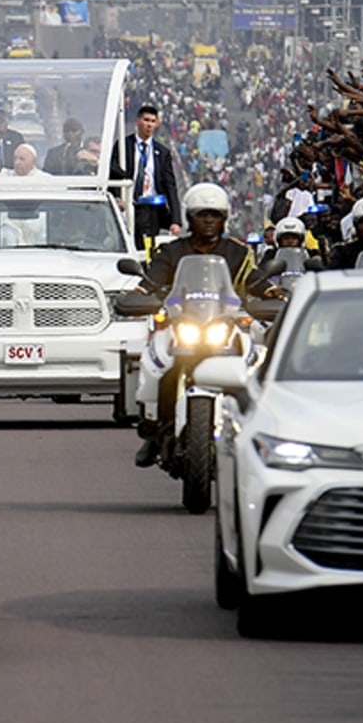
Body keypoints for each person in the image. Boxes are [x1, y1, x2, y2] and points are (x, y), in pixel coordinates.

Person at [134, 182, 259, 467]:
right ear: (190, 218)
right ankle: (155, 433)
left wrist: (272, 293)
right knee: (159, 364)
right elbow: (151, 282)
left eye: (214, 215)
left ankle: (253, 426)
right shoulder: (171, 252)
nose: (208, 221)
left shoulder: (238, 254)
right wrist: (139, 294)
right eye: (202, 215)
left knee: (253, 363)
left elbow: (256, 281)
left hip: (223, 327)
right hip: (183, 327)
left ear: (224, 219)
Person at [117, 103, 182, 248]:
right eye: (146, 120)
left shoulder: (162, 152)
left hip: (152, 209)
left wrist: (176, 220)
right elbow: (114, 173)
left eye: (153, 121)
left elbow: (170, 186)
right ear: (138, 121)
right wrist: (117, 196)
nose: (149, 125)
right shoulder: (123, 145)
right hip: (130, 205)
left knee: (148, 246)